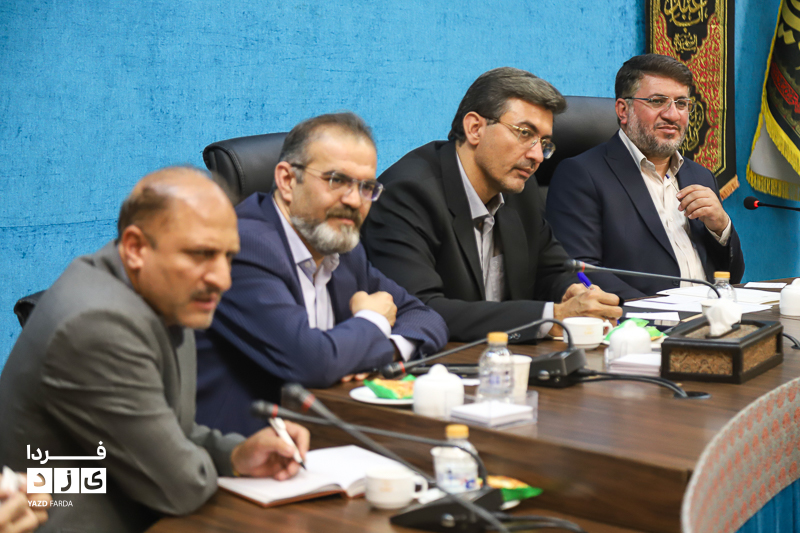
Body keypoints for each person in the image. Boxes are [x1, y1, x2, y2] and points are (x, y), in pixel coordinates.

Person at [0, 167, 309, 533]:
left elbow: (173, 431)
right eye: (201, 254)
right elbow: (181, 486)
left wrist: (236, 455)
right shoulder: (99, 325)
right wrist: (198, 464)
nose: (223, 279)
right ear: (135, 248)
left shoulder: (164, 292)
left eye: (228, 257)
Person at [195, 113, 449, 435]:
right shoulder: (244, 246)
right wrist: (373, 322)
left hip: (325, 430)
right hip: (241, 447)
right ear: (287, 180)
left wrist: (380, 351)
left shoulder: (342, 247)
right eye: (336, 180)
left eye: (366, 187)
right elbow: (311, 362)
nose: (353, 201)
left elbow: (427, 318)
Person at [361, 67, 622, 343]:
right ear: (475, 128)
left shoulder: (519, 189)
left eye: (544, 143)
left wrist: (571, 292)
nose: (537, 156)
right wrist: (552, 316)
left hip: (508, 357)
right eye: (524, 133)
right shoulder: (407, 194)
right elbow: (420, 309)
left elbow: (553, 270)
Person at [546, 54, 744, 299]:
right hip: (641, 320)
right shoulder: (582, 175)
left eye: (682, 103)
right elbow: (583, 271)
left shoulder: (700, 176)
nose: (673, 115)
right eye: (658, 101)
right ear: (623, 110)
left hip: (711, 314)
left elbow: (732, 277)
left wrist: (722, 228)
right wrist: (659, 310)